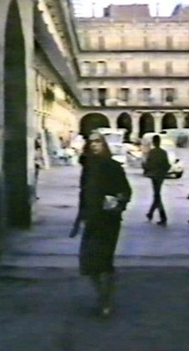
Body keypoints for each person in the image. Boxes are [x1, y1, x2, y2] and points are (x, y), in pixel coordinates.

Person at [70, 132, 132, 318]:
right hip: (92, 220)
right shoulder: (88, 168)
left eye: (98, 141)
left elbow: (126, 191)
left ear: (104, 145)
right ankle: (103, 296)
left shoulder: (113, 166)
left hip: (109, 221)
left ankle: (106, 302)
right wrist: (78, 221)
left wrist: (117, 202)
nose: (94, 145)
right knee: (88, 263)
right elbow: (83, 195)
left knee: (104, 263)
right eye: (91, 142)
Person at [143, 134, 171, 226]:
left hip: (154, 176)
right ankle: (150, 213)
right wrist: (164, 172)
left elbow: (148, 164)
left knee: (157, 195)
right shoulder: (163, 152)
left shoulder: (152, 152)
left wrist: (147, 169)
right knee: (157, 194)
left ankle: (163, 217)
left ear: (153, 143)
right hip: (161, 176)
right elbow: (167, 165)